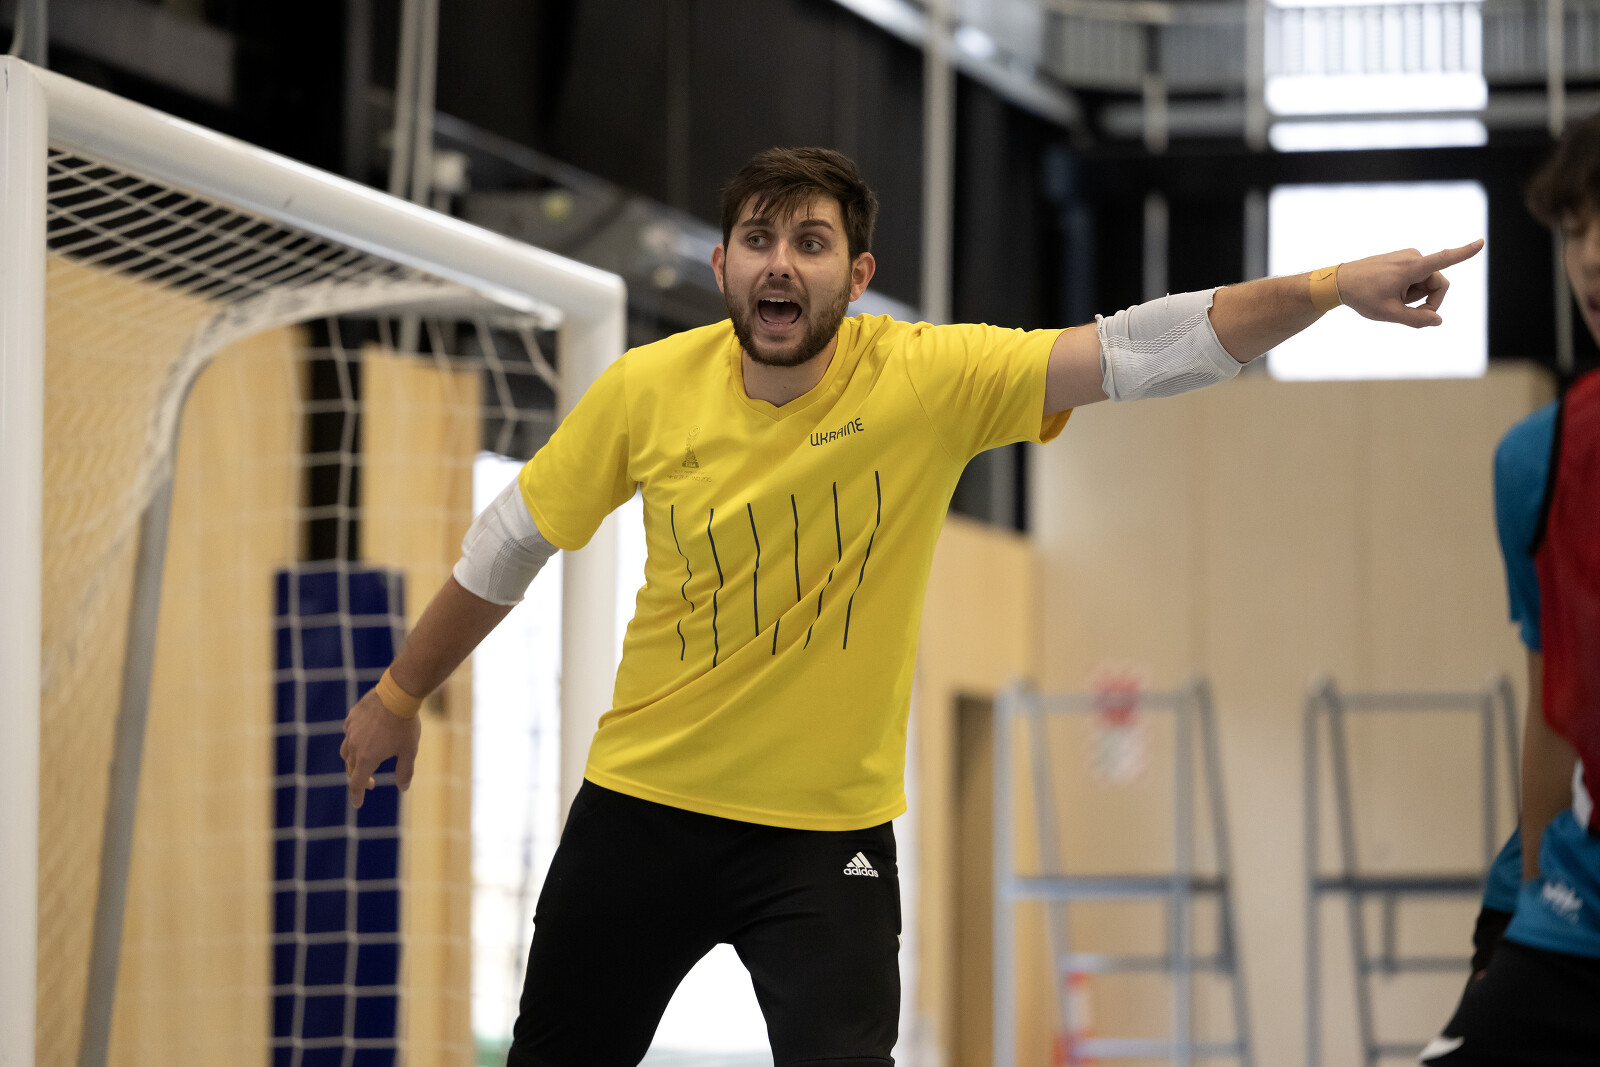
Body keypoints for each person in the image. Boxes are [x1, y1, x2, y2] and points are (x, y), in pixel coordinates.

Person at [340, 147, 1479, 1067]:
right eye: (758, 239)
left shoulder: (926, 378)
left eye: (811, 242)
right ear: (723, 264)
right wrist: (398, 690)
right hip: (640, 812)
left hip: (824, 842)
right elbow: (511, 540)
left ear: (857, 274)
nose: (781, 263)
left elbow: (1142, 351)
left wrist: (1327, 289)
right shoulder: (646, 387)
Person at [1422, 118, 1600, 1066]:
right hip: (1578, 913)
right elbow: (1555, 715)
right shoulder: (1541, 460)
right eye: (1574, 229)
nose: (1592, 255)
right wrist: (1523, 906)